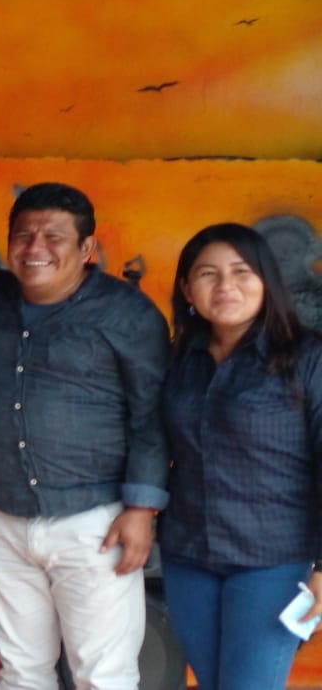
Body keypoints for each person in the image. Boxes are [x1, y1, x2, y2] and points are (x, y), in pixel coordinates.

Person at [0, 182, 169, 690]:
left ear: (86, 248)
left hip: (94, 522)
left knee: (103, 676)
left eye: (54, 236)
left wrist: (142, 509)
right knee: (21, 672)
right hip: (2, 515)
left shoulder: (127, 314)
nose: (35, 247)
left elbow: (151, 415)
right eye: (23, 234)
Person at [158, 223, 322, 690]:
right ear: (187, 289)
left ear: (267, 280)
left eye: (242, 271)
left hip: (274, 560)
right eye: (208, 273)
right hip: (188, 555)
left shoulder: (307, 358)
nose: (225, 285)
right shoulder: (179, 359)